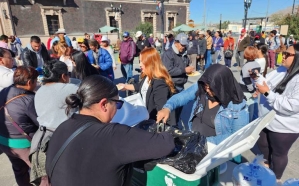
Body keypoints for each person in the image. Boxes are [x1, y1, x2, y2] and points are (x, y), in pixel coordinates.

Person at [45, 75, 175, 186]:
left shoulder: (61, 128)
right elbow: (165, 144)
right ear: (104, 104)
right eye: (117, 104)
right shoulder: (113, 135)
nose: (118, 109)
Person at [157, 64, 248, 145]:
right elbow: (182, 96)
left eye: (212, 88)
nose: (207, 90)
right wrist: (167, 108)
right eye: (205, 86)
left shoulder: (238, 106)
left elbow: (237, 136)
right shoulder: (202, 88)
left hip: (214, 151)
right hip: (193, 143)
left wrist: (203, 141)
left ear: (222, 87)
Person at [256, 44, 299, 184]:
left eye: (287, 54)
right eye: (283, 53)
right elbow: (265, 81)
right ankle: (267, 167)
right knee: (263, 144)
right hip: (267, 119)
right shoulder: (282, 70)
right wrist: (256, 78)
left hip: (284, 127)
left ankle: (276, 179)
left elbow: (290, 106)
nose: (283, 56)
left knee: (279, 154)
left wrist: (267, 93)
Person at [0, 66, 39, 186]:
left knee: (19, 170)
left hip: (4, 142)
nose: (36, 84)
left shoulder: (4, 92)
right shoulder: (29, 100)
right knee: (40, 172)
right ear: (29, 82)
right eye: (35, 81)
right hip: (24, 145)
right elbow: (39, 122)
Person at [118, 47, 176, 124]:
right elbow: (140, 86)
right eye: (139, 61)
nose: (140, 64)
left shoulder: (159, 82)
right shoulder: (147, 76)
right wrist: (125, 86)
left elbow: (161, 109)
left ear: (150, 63)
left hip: (154, 121)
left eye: (142, 62)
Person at [162, 33, 193, 125]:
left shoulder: (184, 54)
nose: (183, 47)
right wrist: (184, 70)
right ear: (176, 42)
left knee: (179, 110)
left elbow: (184, 65)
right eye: (182, 45)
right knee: (172, 112)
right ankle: (172, 129)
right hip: (172, 87)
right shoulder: (168, 54)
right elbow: (167, 70)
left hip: (181, 86)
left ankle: (176, 126)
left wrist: (189, 69)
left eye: (185, 45)